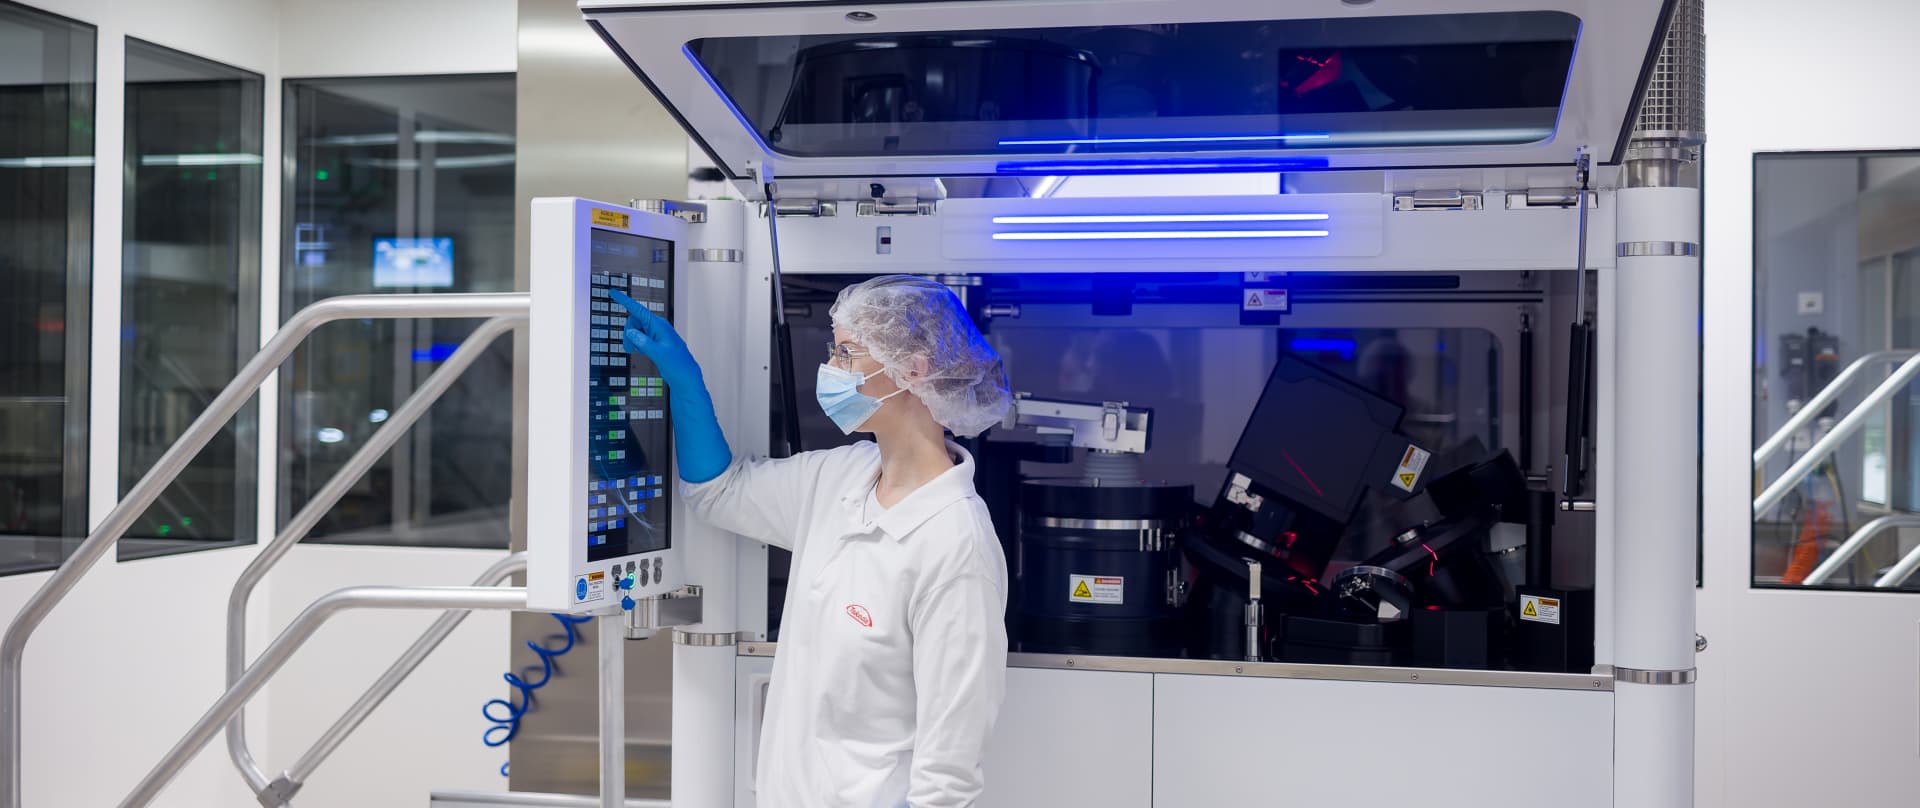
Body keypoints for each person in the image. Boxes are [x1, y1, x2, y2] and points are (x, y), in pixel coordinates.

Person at [609, 275, 1013, 808]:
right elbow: (721, 492)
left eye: (847, 354)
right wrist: (685, 382)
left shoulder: (956, 545)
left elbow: (948, 772)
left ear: (913, 370)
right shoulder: (840, 477)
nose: (830, 371)